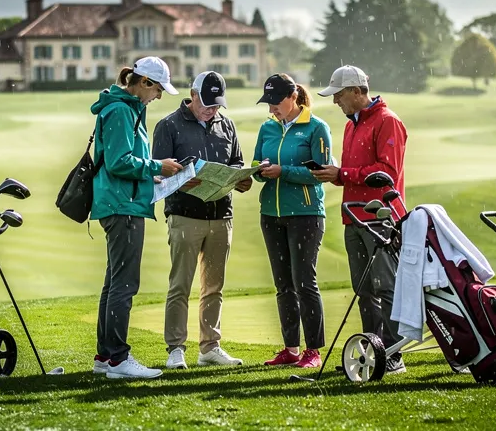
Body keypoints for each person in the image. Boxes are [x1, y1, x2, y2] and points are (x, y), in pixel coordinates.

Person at [89, 56, 183, 380]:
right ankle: (118, 359)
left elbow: (127, 162)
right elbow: (118, 162)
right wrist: (158, 166)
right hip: (122, 206)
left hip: (122, 201)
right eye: (157, 89)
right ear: (144, 82)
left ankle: (105, 357)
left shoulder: (128, 108)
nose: (158, 96)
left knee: (114, 282)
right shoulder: (120, 110)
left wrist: (151, 176)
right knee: (124, 284)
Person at [312, 65, 409, 374]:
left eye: (339, 95)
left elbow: (387, 172)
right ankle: (373, 350)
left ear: (356, 91)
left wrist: (343, 174)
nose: (335, 101)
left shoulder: (388, 121)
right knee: (364, 288)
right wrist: (337, 175)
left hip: (380, 216)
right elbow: (354, 172)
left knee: (386, 285)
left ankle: (394, 354)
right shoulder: (350, 125)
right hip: (353, 216)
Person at [152, 71, 251, 369]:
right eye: (207, 104)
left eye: (217, 104)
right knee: (180, 285)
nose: (212, 110)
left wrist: (241, 179)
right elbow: (158, 173)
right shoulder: (168, 125)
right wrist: (182, 180)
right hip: (184, 214)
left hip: (222, 215)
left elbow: (236, 162)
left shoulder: (226, 125)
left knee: (214, 287)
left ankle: (210, 347)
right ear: (193, 95)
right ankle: (175, 348)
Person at [253, 73, 332, 369]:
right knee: (283, 284)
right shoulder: (267, 128)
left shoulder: (316, 127)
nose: (271, 108)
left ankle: (313, 351)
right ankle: (290, 348)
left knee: (304, 283)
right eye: (268, 102)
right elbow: (257, 161)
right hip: (271, 214)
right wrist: (258, 170)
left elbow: (321, 173)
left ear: (293, 97)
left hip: (305, 215)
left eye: (276, 102)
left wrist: (283, 171)